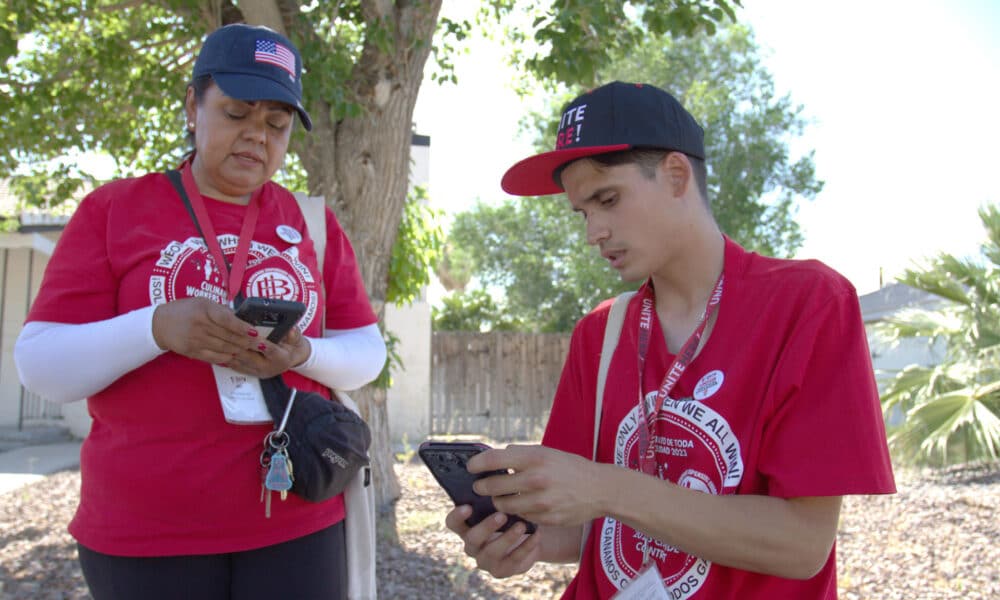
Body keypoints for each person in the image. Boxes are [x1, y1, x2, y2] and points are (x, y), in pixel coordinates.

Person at [443, 81, 896, 599]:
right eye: (583, 212)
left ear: (677, 175)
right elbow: (587, 525)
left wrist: (607, 488)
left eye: (607, 199)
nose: (594, 231)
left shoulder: (808, 303)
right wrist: (521, 544)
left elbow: (802, 545)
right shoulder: (602, 332)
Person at [14, 24, 385, 600]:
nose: (256, 137)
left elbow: (366, 353)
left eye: (277, 125)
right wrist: (156, 329)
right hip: (146, 532)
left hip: (298, 517)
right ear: (193, 105)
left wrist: (305, 353)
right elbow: (41, 366)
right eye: (237, 113)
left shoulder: (312, 222)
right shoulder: (115, 210)